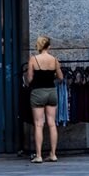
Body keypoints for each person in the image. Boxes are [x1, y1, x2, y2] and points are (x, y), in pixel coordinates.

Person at [25, 35, 64, 163]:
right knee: (52, 123)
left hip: (37, 92)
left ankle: (39, 155)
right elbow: (61, 77)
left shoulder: (33, 59)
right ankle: (53, 154)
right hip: (51, 92)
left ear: (38, 46)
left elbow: (29, 78)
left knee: (38, 124)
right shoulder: (54, 60)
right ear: (49, 46)